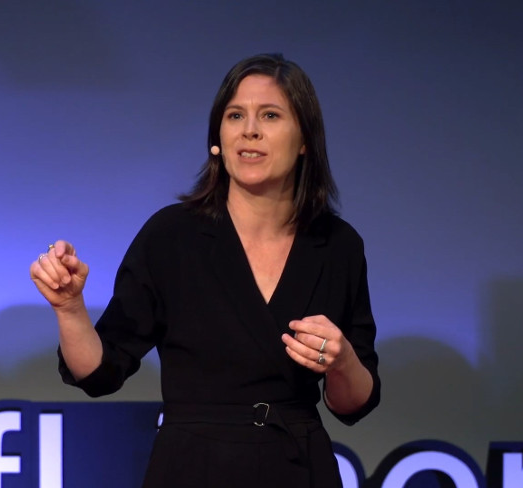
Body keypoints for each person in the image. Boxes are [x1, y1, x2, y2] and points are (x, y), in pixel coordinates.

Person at [30, 53, 380, 488]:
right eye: (236, 115)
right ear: (218, 136)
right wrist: (69, 308)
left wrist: (343, 359)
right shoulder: (171, 236)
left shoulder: (338, 245)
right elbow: (100, 374)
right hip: (193, 466)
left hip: (297, 467)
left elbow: (353, 405)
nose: (249, 129)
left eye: (269, 115)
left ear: (305, 138)